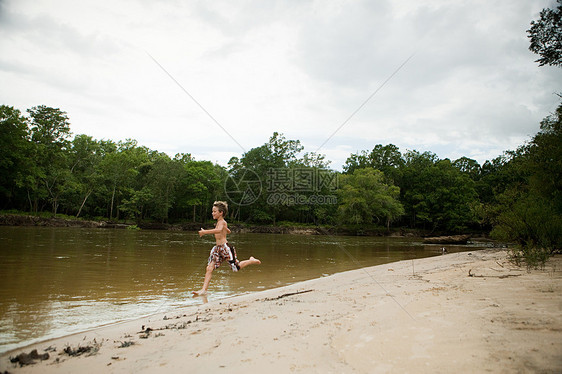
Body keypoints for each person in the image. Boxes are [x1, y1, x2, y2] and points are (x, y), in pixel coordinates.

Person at [192, 201, 261, 296]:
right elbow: (227, 231)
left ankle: (250, 260)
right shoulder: (220, 223)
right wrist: (226, 230)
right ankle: (204, 290)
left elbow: (219, 230)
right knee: (209, 268)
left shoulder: (222, 222)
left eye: (215, 211)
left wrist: (205, 232)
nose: (213, 213)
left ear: (221, 213)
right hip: (217, 249)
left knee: (236, 268)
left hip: (225, 248)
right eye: (212, 211)